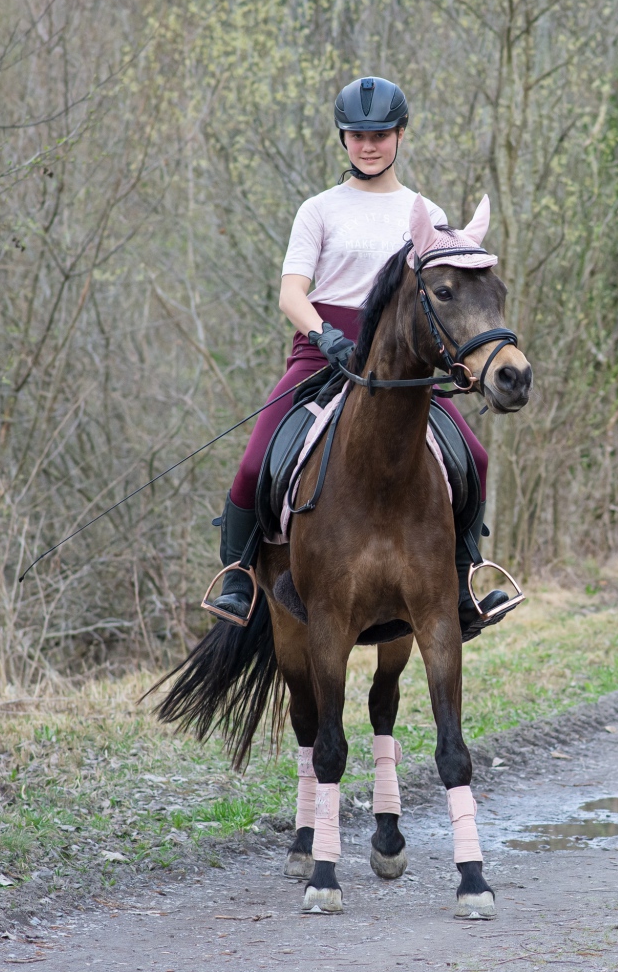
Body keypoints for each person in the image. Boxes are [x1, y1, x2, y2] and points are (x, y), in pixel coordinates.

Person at [209, 75, 508, 639]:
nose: (369, 145)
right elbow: (291, 293)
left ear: (400, 135)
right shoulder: (318, 210)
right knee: (253, 464)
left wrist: (460, 358)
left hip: (401, 366)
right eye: (358, 135)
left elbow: (443, 298)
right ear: (344, 138)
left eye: (381, 135)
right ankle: (239, 577)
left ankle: (464, 579)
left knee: (476, 457)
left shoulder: (426, 212)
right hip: (321, 353)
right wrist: (325, 335)